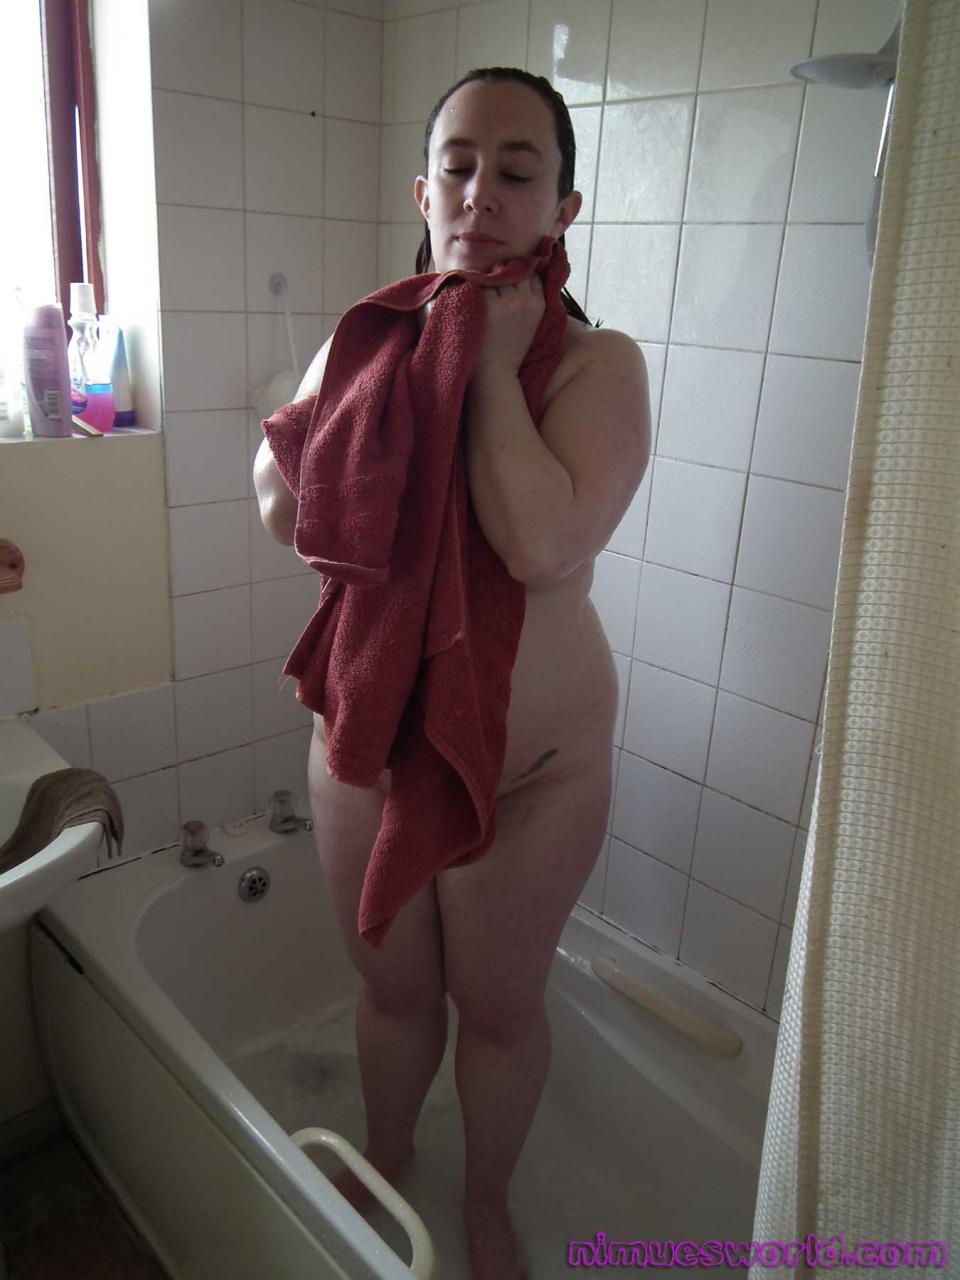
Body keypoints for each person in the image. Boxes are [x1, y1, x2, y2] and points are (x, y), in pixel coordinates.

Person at [254, 66, 651, 1280]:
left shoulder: (599, 366)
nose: (482, 193)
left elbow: (538, 543)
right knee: (390, 994)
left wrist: (485, 370)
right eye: (460, 168)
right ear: (423, 194)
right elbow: (280, 507)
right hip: (369, 748)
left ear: (563, 209)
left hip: (535, 773)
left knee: (499, 1006)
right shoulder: (368, 336)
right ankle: (387, 1156)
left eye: (517, 172)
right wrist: (388, 376)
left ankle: (483, 1199)